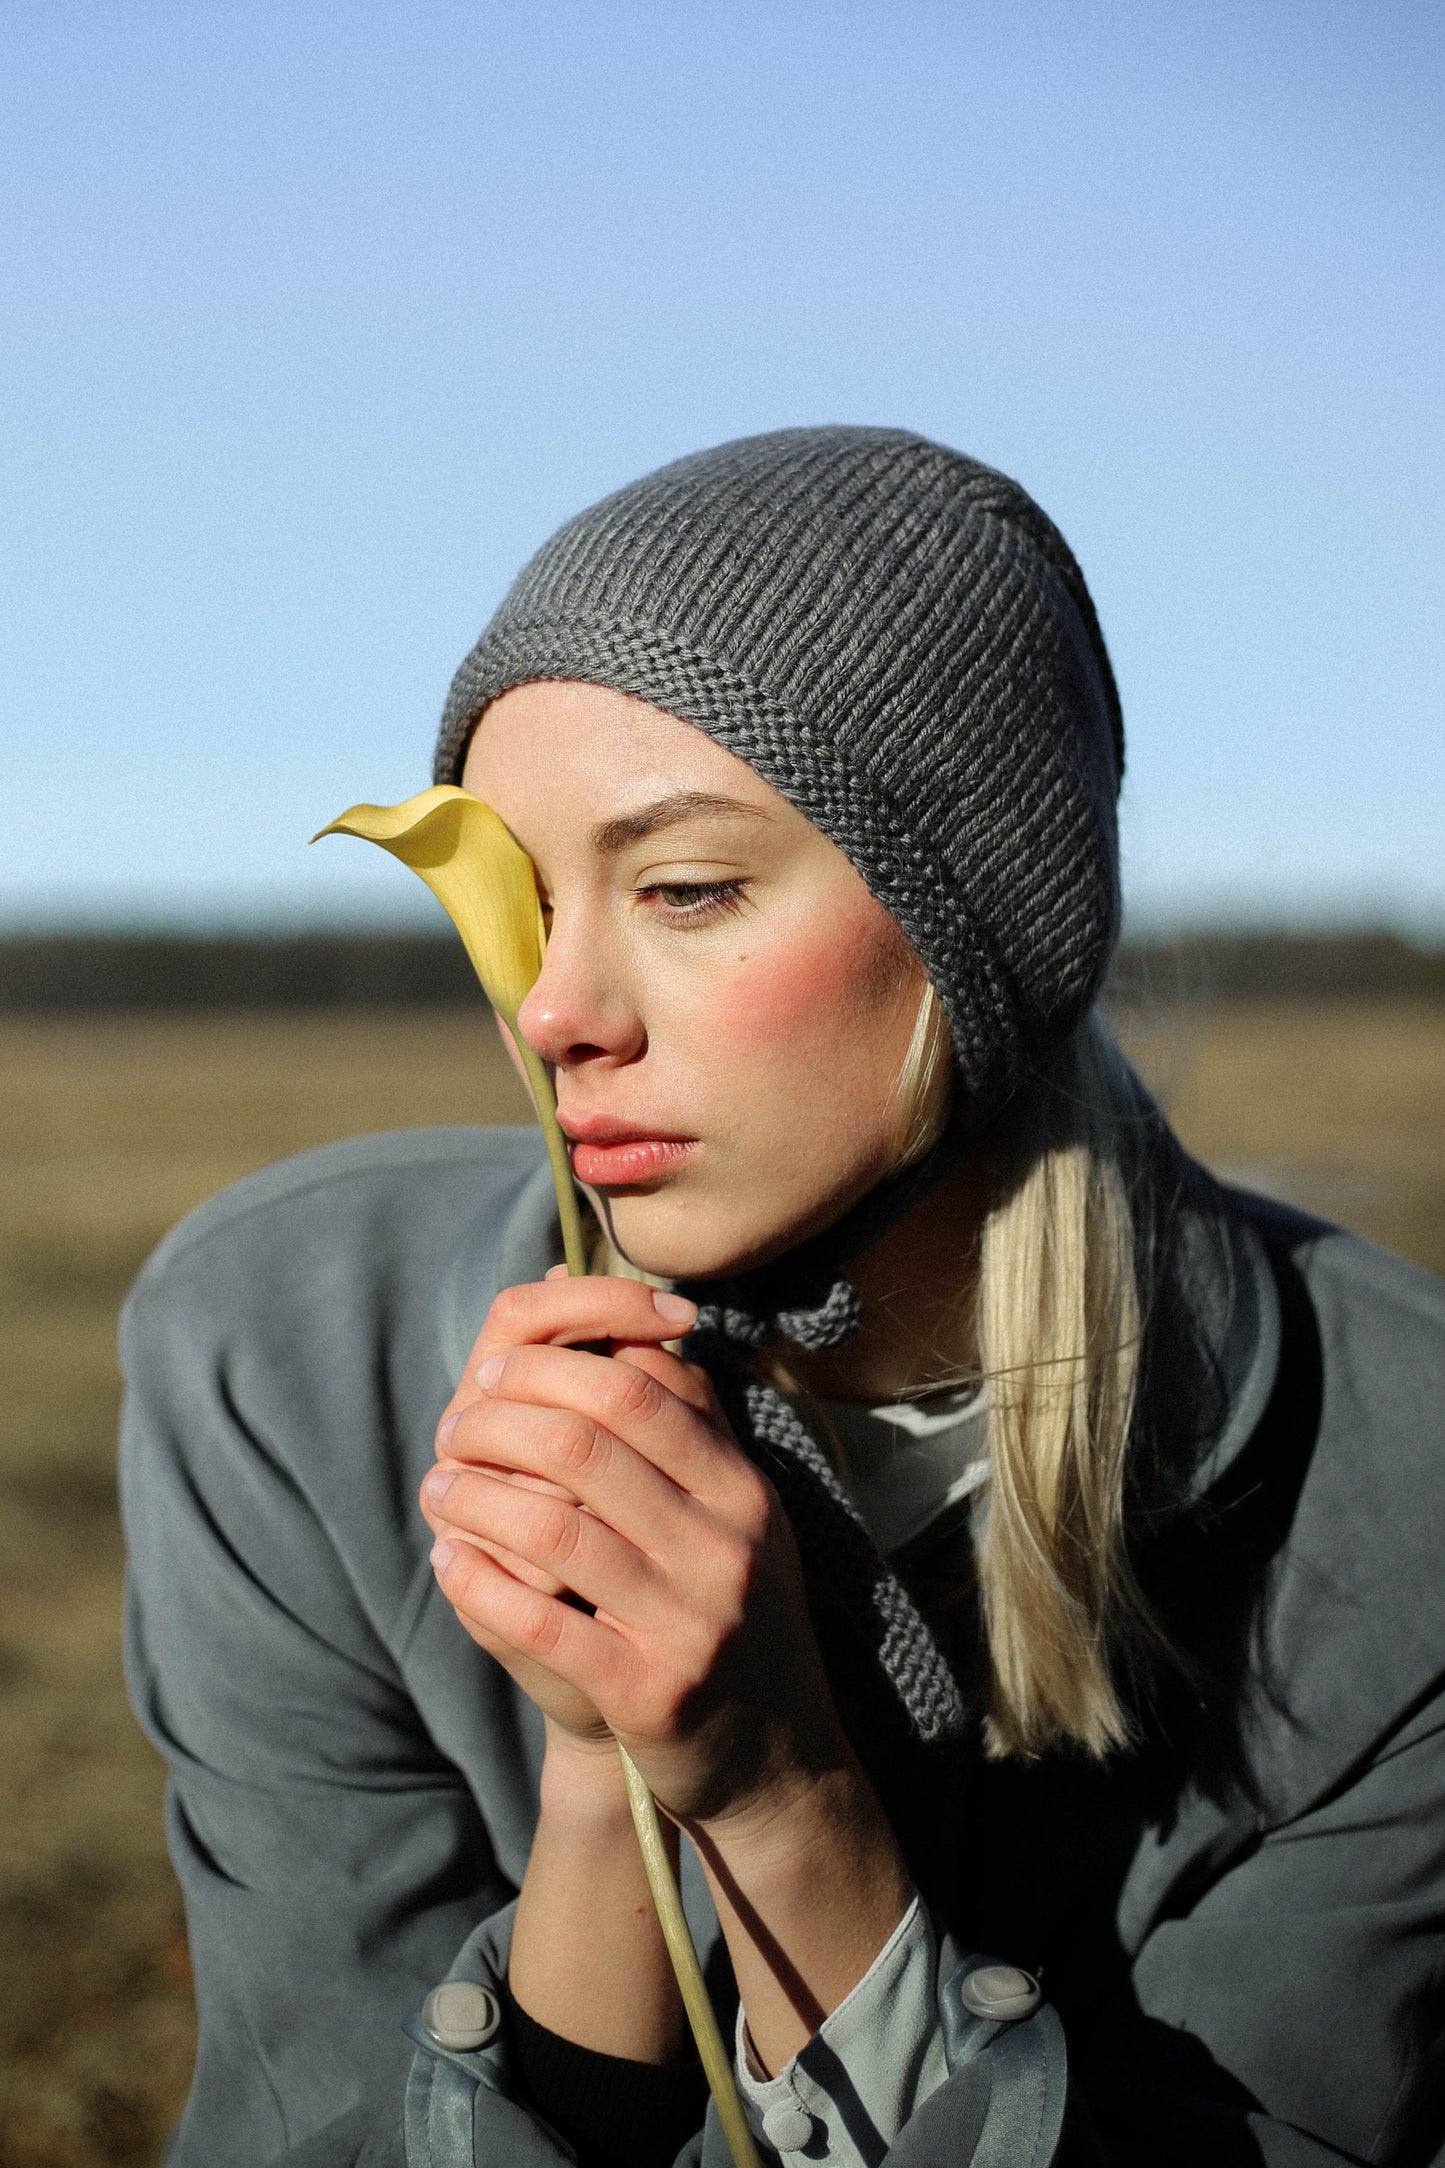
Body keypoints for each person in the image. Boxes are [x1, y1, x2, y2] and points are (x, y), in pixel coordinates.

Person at [120, 428, 1445, 2168]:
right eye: (521, 904)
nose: (554, 1011)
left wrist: (777, 1792)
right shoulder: (277, 1354)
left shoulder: (1401, 1480)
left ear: (979, 923)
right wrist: (603, 1789)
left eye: (683, 888)